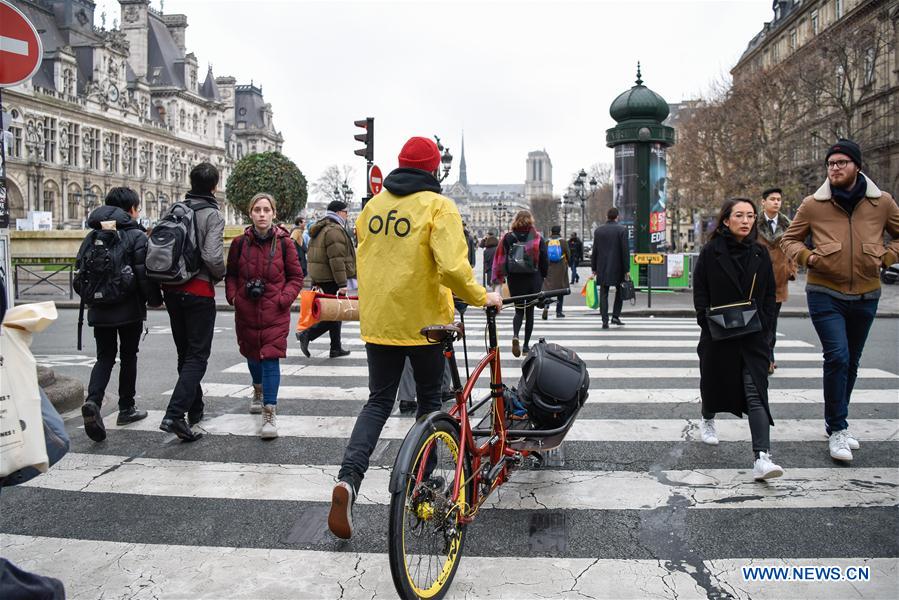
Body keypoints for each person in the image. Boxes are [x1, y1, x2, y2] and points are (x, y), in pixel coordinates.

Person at [327, 136, 503, 539]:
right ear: (432, 169)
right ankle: (420, 486)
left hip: (380, 322)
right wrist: (482, 296)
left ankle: (348, 480)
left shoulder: (372, 208)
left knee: (378, 402)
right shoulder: (438, 206)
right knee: (429, 405)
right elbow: (453, 269)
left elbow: (366, 261)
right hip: (426, 325)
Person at [781, 139, 899, 462]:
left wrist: (887, 257)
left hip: (867, 293)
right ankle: (838, 429)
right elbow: (789, 239)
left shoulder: (882, 203)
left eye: (841, 162)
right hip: (824, 292)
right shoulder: (813, 204)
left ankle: (836, 419)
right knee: (837, 357)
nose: (834, 168)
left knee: (852, 361)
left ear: (857, 166)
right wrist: (808, 257)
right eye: (830, 163)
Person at [694, 198, 782, 480]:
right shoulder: (711, 252)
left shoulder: (760, 253)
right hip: (719, 333)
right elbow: (701, 291)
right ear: (726, 220)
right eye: (740, 215)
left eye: (751, 216)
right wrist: (706, 322)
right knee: (712, 384)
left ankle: (762, 457)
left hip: (753, 334)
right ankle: (708, 418)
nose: (746, 221)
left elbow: (769, 295)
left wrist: (766, 330)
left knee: (756, 391)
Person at [78, 187, 161, 442]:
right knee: (128, 356)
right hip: (129, 308)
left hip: (99, 308)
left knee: (104, 357)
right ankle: (126, 407)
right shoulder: (136, 236)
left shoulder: (92, 236)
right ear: (132, 209)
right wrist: (155, 300)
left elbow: (80, 272)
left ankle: (93, 401)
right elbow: (143, 275)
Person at [225, 193, 304, 438]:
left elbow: (296, 277)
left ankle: (269, 410)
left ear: (274, 213)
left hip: (275, 311)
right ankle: (257, 389)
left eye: (266, 210)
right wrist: (234, 297)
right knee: (251, 355)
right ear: (250, 213)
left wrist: (284, 299)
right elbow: (231, 275)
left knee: (270, 359)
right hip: (246, 309)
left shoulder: (285, 243)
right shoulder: (239, 243)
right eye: (257, 209)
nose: (262, 214)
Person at [158, 162, 226, 443]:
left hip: (172, 289)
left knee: (184, 354)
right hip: (198, 291)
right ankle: (175, 413)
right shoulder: (213, 214)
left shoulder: (175, 209)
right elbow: (211, 256)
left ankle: (195, 408)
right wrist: (221, 274)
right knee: (198, 356)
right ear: (214, 186)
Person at [297, 200, 356, 359]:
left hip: (321, 276)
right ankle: (307, 334)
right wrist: (342, 283)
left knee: (335, 313)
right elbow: (336, 259)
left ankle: (335, 347)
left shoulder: (322, 227)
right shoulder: (334, 230)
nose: (347, 214)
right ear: (338, 212)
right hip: (331, 278)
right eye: (345, 211)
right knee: (337, 313)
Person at [492, 210, 548, 356]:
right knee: (529, 313)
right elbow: (544, 260)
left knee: (518, 311)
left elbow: (500, 259)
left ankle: (515, 335)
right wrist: (544, 275)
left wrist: (500, 277)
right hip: (533, 278)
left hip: (515, 279)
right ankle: (525, 347)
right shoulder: (536, 237)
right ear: (531, 220)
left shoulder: (508, 237)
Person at [756, 187, 796, 374]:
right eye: (772, 199)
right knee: (759, 320)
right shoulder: (753, 223)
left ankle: (769, 357)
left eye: (779, 199)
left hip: (779, 280)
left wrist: (791, 270)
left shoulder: (788, 225)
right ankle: (761, 357)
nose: (776, 202)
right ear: (763, 202)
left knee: (772, 322)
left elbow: (795, 248)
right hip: (757, 279)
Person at [591, 207, 630, 329]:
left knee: (604, 293)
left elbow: (595, 251)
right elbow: (625, 251)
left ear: (606, 217)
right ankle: (615, 316)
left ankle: (604, 320)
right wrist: (627, 269)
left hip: (602, 266)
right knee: (620, 292)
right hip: (618, 266)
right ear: (617, 217)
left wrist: (594, 268)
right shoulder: (622, 230)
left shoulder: (599, 231)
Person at [542, 224, 570, 319]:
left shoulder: (546, 242)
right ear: (559, 231)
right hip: (561, 268)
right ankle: (559, 311)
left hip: (549, 268)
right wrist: (569, 263)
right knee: (560, 289)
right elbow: (568, 254)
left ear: (551, 232)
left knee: (548, 290)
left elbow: (542, 255)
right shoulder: (563, 242)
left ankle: (546, 306)